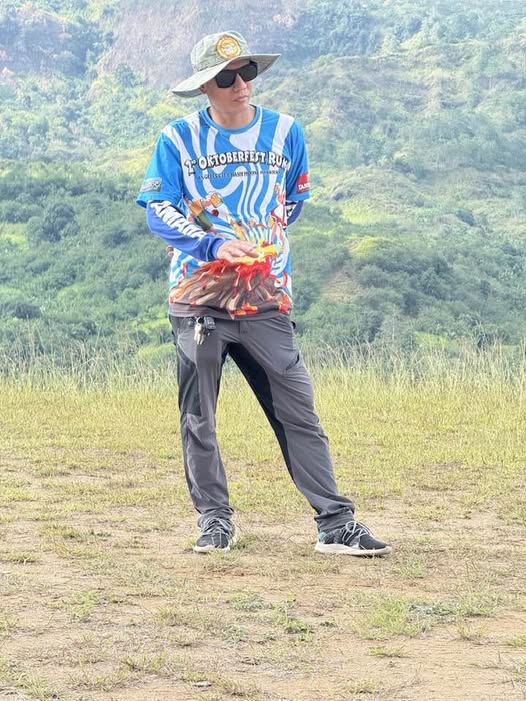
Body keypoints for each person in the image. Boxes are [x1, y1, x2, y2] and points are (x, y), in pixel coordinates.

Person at [136, 31, 392, 557]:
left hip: (266, 297)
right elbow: (158, 209)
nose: (240, 85)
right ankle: (215, 521)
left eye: (247, 72)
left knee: (298, 411)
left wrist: (257, 245)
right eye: (226, 77)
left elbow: (292, 201)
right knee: (199, 416)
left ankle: (335, 523)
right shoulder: (177, 139)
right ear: (204, 87)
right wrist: (211, 243)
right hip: (198, 299)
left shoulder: (285, 132)